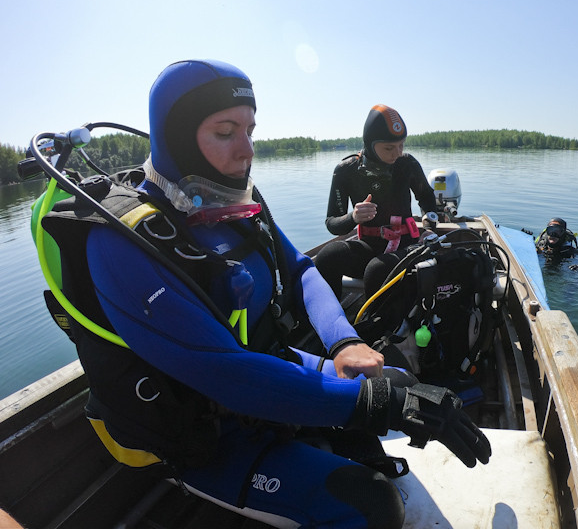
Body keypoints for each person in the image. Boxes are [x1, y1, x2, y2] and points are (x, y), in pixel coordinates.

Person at [39, 61, 490, 529]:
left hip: (270, 371)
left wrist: (342, 341)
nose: (246, 150)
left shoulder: (228, 202)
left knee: (397, 380)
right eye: (226, 131)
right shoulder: (120, 244)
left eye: (250, 130)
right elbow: (223, 373)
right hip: (206, 431)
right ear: (174, 135)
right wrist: (376, 407)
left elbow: (300, 270)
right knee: (372, 506)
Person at [314, 104, 438, 299]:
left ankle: (377, 326)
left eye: (401, 145)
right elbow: (332, 223)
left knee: (376, 269)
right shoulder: (346, 170)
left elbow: (427, 197)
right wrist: (353, 217)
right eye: (389, 147)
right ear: (371, 143)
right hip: (369, 248)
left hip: (408, 246)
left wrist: (430, 226)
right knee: (327, 256)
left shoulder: (407, 164)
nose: (397, 153)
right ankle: (332, 321)